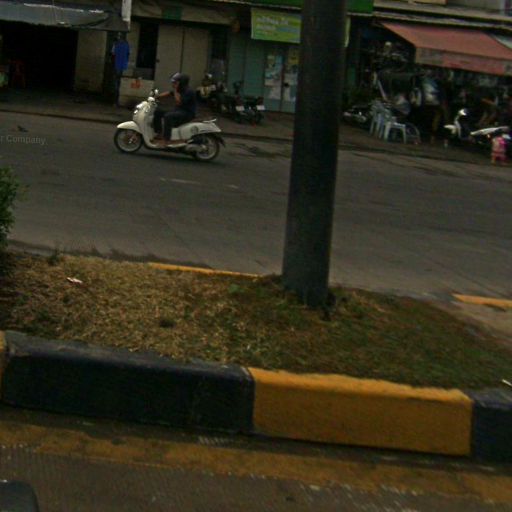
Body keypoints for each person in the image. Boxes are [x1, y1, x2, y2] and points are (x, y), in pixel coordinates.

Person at [152, 73, 197, 147]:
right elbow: (169, 93)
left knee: (168, 116)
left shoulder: (189, 91)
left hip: (187, 113)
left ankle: (166, 140)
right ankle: (159, 133)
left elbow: (178, 101)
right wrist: (156, 97)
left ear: (181, 83)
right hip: (179, 111)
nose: (173, 84)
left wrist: (175, 89)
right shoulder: (181, 89)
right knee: (158, 112)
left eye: (175, 82)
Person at [111, 32, 130, 107]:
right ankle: (117, 101)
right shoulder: (127, 45)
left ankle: (115, 101)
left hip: (117, 66)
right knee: (121, 84)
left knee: (116, 84)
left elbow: (112, 54)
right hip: (124, 66)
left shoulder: (115, 44)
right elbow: (128, 54)